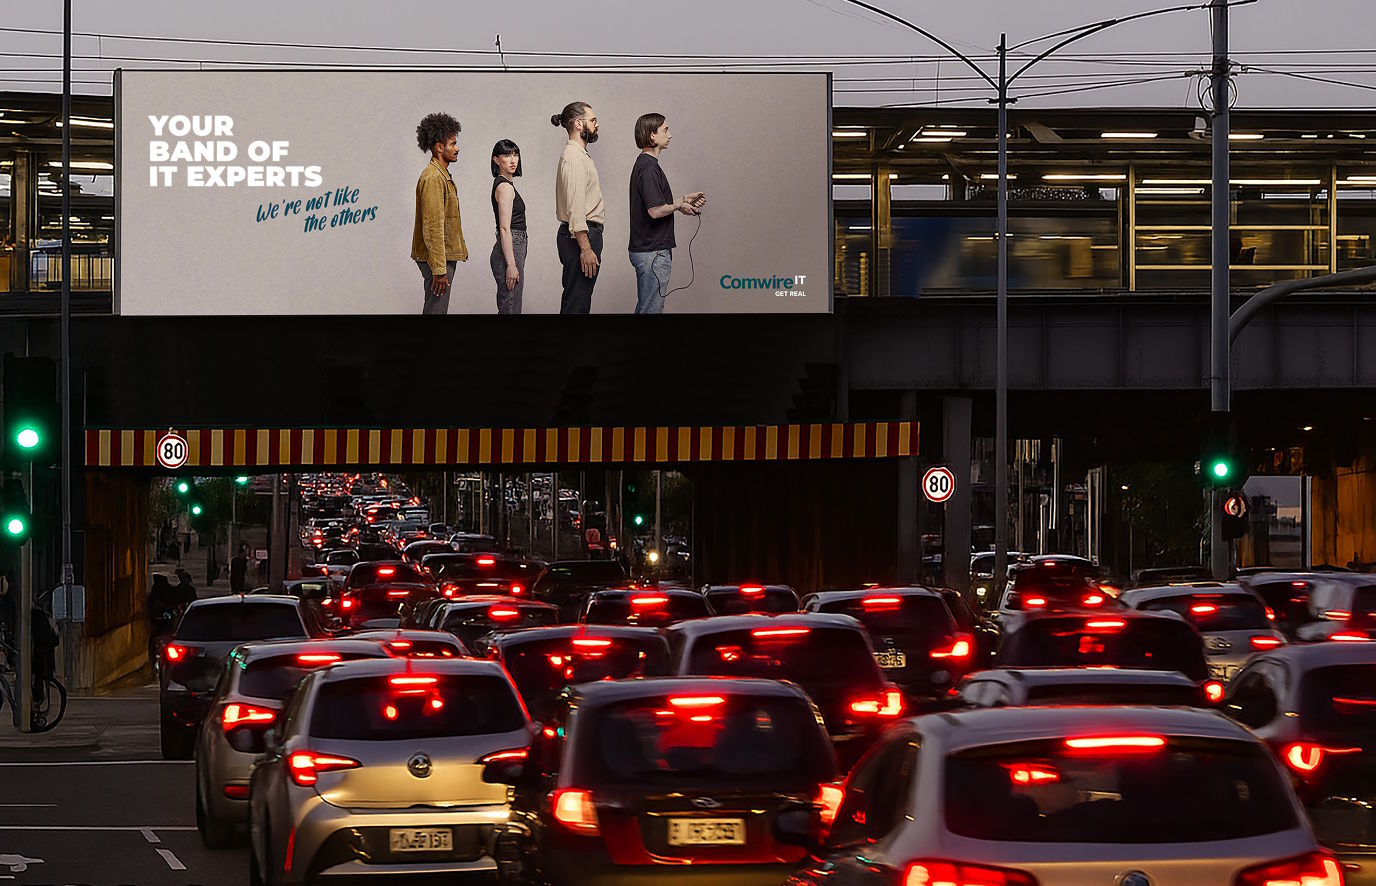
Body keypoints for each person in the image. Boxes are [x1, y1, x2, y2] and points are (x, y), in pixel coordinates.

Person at [628, 113, 706, 315]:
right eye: (665, 130)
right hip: (652, 253)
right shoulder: (648, 168)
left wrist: (682, 202)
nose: (670, 135)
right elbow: (655, 211)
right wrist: (679, 203)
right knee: (651, 311)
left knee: (646, 309)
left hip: (649, 252)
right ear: (652, 135)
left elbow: (657, 206)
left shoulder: (646, 165)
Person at [411, 112, 469, 315]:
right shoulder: (434, 178)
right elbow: (433, 226)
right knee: (436, 311)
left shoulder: (441, 175)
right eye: (453, 144)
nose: (457, 148)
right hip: (438, 259)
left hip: (441, 257)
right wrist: (438, 269)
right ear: (439, 147)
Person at [552, 101, 605, 314]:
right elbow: (575, 206)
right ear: (578, 124)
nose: (597, 124)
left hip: (581, 235)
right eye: (593, 120)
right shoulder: (574, 157)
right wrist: (585, 248)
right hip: (580, 237)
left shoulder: (579, 155)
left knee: (579, 301)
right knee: (577, 304)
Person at [489, 140, 527, 315]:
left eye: (515, 154)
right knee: (511, 308)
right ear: (496, 160)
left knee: (510, 306)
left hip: (513, 246)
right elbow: (504, 228)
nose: (513, 160)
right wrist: (511, 264)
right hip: (510, 248)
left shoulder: (506, 184)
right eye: (507, 155)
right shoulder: (504, 187)